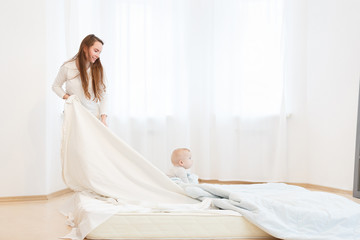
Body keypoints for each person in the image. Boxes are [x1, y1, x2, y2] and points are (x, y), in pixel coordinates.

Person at [52, 34, 108, 126]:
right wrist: (68, 98)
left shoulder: (99, 70)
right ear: (85, 48)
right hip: (73, 118)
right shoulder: (68, 67)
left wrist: (103, 119)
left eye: (99, 52)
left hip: (93, 118)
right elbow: (56, 86)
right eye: (96, 51)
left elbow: (103, 95)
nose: (98, 55)